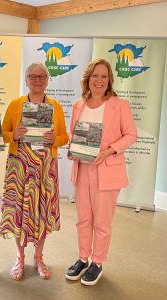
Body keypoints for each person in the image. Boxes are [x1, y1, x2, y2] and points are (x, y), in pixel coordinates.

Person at [65, 58, 137, 286]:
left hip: (107, 170)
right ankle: (82, 258)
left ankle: (97, 262)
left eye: (104, 76)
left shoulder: (119, 104)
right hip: (82, 169)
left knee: (102, 222)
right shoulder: (79, 104)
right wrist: (72, 149)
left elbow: (131, 135)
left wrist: (108, 151)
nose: (99, 80)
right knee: (83, 219)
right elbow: (72, 136)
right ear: (88, 78)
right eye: (95, 75)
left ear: (109, 80)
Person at [0, 62, 69, 280]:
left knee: (41, 210)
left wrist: (54, 139)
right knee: (19, 211)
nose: (37, 80)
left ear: (47, 80)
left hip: (45, 167)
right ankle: (19, 258)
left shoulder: (56, 106)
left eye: (42, 76)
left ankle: (38, 257)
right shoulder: (15, 104)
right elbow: (2, 133)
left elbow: (65, 137)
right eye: (33, 76)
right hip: (19, 166)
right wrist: (14, 135)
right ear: (26, 79)